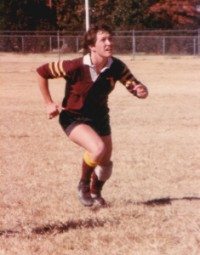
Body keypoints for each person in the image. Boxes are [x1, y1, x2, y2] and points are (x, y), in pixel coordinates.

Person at [36, 24, 148, 207]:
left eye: (110, 39)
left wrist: (140, 91)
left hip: (100, 118)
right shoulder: (75, 66)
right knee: (97, 148)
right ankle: (83, 185)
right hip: (73, 117)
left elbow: (133, 85)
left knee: (106, 165)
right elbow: (42, 72)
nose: (109, 43)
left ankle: (96, 192)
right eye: (103, 39)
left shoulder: (116, 66)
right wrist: (48, 103)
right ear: (92, 46)